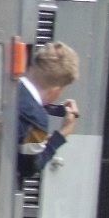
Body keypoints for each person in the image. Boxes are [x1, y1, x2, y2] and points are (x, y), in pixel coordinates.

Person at [17, 41, 80, 179]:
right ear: (56, 89)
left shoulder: (7, 80)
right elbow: (28, 168)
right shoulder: (37, 121)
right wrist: (61, 135)